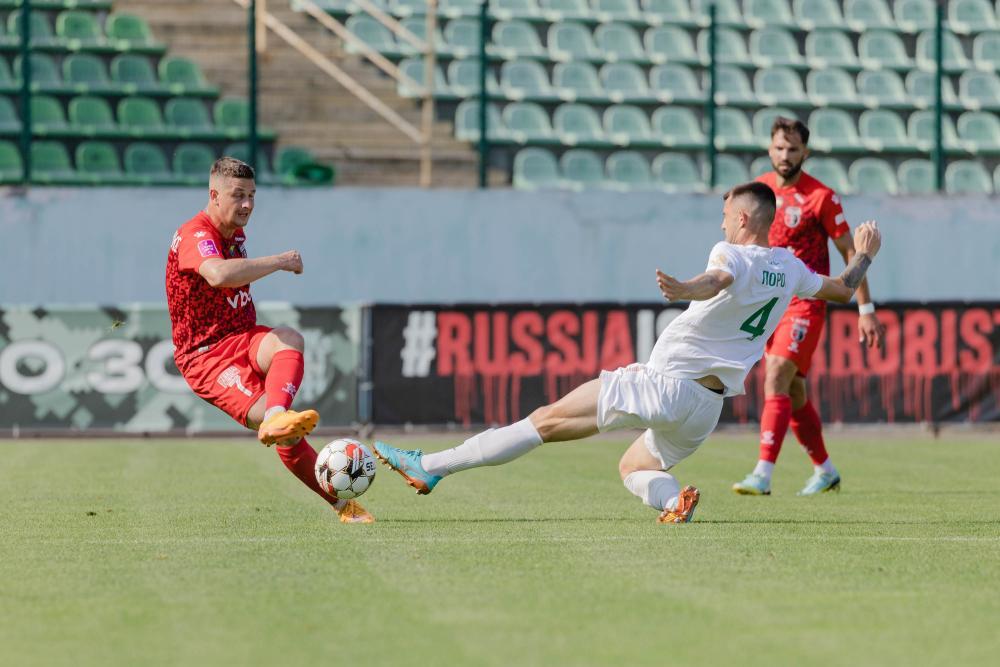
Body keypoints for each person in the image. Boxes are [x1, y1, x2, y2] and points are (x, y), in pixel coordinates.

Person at [372, 182, 882, 523]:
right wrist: (864, 254)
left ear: (744, 217)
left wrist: (686, 287)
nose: (722, 224)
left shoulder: (731, 253)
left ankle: (432, 465)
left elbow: (718, 278)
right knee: (634, 467)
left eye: (726, 216)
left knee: (544, 420)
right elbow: (841, 289)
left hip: (664, 386)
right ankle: (673, 499)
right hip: (705, 411)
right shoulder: (789, 266)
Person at [165, 157, 374, 524]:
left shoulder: (235, 234)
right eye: (237, 195)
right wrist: (279, 261)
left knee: (288, 339)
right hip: (207, 357)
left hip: (241, 336)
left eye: (252, 196)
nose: (247, 204)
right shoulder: (196, 234)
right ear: (214, 195)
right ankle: (343, 506)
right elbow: (216, 276)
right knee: (287, 436)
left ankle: (277, 418)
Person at [732, 117, 887, 497]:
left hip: (806, 301)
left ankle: (762, 474)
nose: (785, 156)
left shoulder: (821, 197)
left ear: (806, 152)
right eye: (779, 148)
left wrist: (865, 310)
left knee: (776, 376)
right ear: (770, 149)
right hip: (770, 304)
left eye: (793, 149)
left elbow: (852, 253)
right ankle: (826, 470)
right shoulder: (759, 191)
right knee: (795, 392)